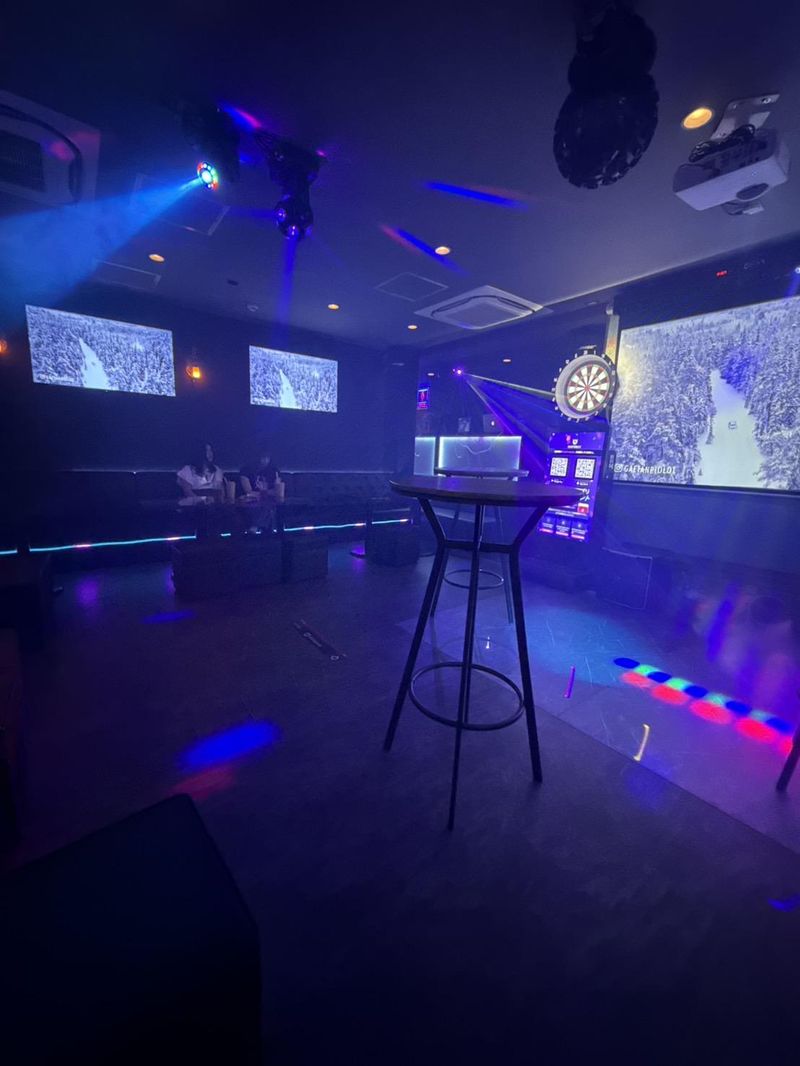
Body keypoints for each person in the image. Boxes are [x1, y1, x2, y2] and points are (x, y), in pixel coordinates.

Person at [238, 445, 284, 531]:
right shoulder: (246, 470)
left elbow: (277, 490)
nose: (263, 460)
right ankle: (261, 529)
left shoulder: (274, 471)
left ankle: (255, 527)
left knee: (269, 506)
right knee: (265, 509)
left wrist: (263, 493)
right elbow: (248, 491)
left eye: (266, 457)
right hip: (251, 503)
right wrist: (266, 493)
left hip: (270, 502)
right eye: (262, 457)